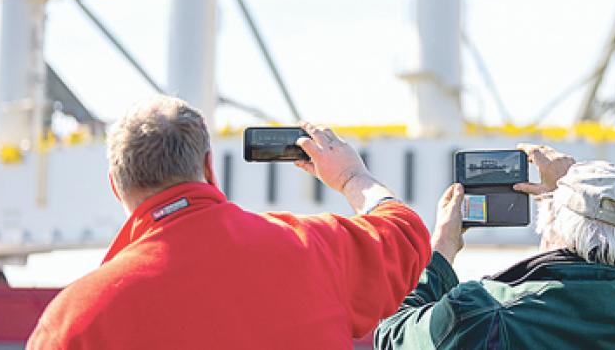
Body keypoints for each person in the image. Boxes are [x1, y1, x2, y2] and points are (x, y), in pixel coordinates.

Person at [28, 95, 431, 349]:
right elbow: (406, 234)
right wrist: (351, 178)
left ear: (116, 187)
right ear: (208, 167)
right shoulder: (313, 247)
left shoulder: (72, 322)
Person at [375, 144, 615, 350]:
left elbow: (393, 336)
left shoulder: (480, 312)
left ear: (552, 222)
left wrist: (441, 251)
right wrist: (604, 203)